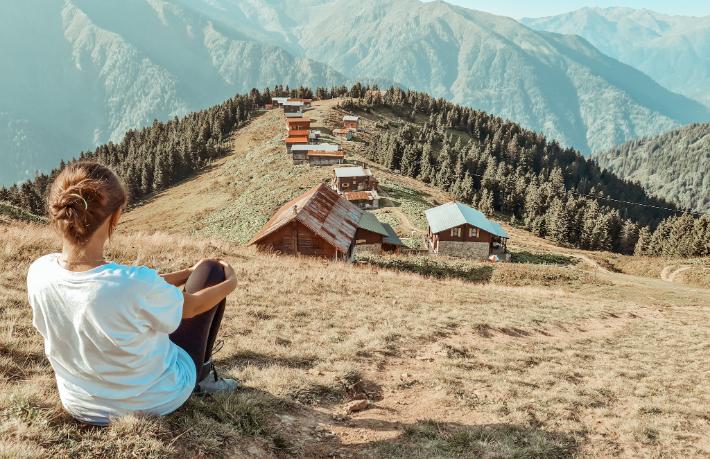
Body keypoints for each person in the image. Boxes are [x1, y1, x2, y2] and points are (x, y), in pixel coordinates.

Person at [26, 161, 238, 426]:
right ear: (115, 216)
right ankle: (203, 377)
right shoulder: (134, 284)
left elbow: (120, 288)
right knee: (211, 271)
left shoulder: (39, 271)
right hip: (154, 400)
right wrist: (229, 282)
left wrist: (185, 272)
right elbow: (193, 307)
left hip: (80, 404)